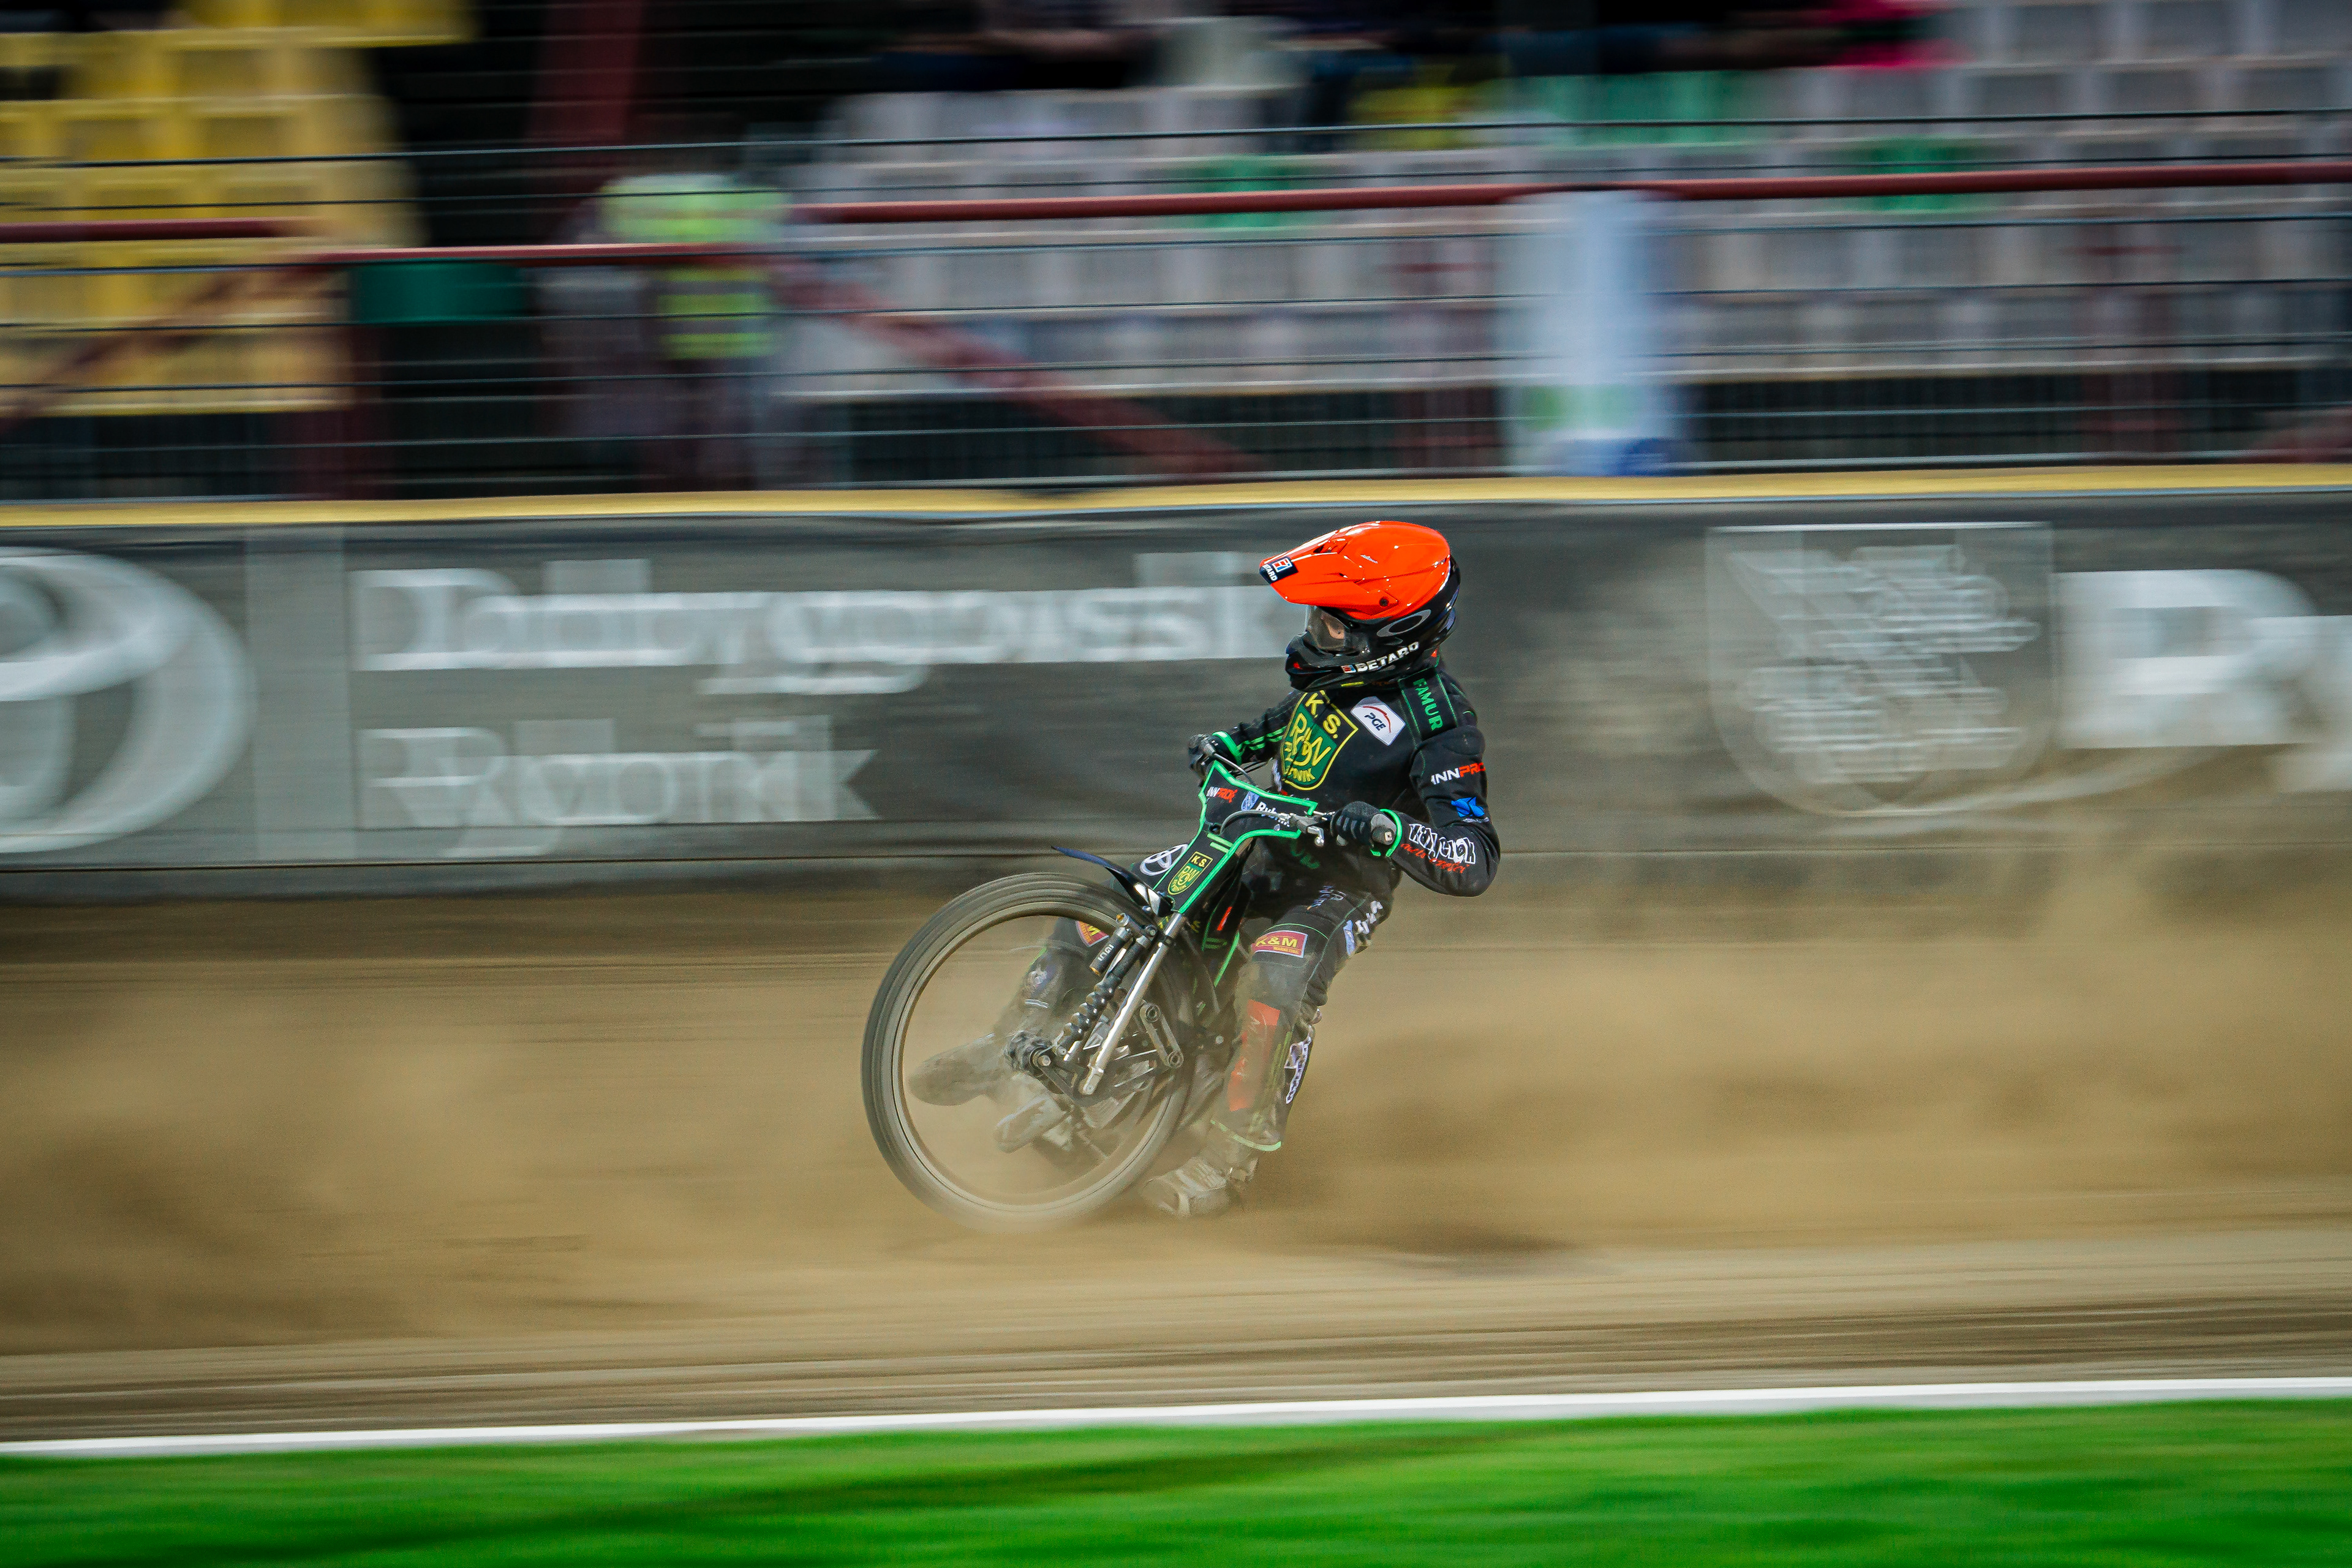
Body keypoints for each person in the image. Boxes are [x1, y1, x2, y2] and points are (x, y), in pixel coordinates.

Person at [912, 519, 1499, 1218]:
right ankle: (1010, 1040)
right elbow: (1276, 729)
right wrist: (1225, 743)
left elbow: (1473, 857)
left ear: (1394, 635)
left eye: (1333, 626)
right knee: (1115, 901)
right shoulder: (1332, 682)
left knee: (1277, 978)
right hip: (1261, 844)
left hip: (1338, 891)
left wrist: (1386, 827)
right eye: (1317, 619)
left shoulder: (1442, 725)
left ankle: (1228, 1165)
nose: (1315, 635)